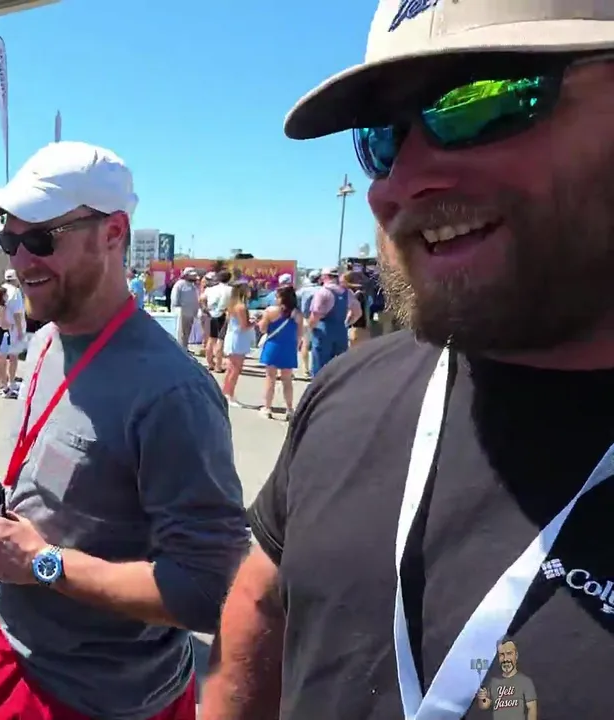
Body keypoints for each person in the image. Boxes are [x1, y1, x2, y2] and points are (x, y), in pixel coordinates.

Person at [201, 3, 614, 720]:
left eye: (478, 102)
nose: (399, 182)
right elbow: (260, 604)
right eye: (382, 137)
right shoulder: (349, 389)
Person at [0, 140, 249, 720]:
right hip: (17, 651)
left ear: (114, 232)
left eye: (42, 239)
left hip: (106, 700)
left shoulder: (172, 392)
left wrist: (42, 564)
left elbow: (210, 589)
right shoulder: (46, 339)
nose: (21, 261)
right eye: (10, 241)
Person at [256, 284, 301, 421]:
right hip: (289, 347)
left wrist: (259, 321)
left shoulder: (271, 311)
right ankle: (289, 409)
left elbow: (263, 329)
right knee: (287, 380)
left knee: (270, 378)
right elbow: (300, 333)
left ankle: (267, 407)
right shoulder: (297, 314)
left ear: (281, 297)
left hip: (273, 345)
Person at [306, 267, 361, 376]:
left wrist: (309, 329)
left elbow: (316, 314)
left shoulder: (322, 292)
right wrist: (346, 323)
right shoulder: (347, 292)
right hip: (341, 331)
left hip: (323, 330)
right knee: (339, 366)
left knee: (320, 366)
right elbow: (358, 312)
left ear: (325, 277)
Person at [220, 283, 254, 406]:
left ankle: (226, 393)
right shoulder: (241, 307)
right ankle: (229, 394)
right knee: (235, 369)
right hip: (238, 338)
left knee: (231, 368)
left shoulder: (232, 305)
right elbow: (244, 326)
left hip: (234, 336)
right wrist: (255, 322)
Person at [0, 269, 27, 397]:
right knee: (13, 357)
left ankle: (2, 382)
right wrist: (20, 330)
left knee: (1, 357)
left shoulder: (0, 289)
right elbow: (17, 313)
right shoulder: (15, 292)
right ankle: (11, 381)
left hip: (1, 327)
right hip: (14, 328)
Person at [202, 269, 233, 372]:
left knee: (211, 339)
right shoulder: (231, 290)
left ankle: (210, 362)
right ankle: (218, 365)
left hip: (212, 313)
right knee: (220, 340)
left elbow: (201, 298)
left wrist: (205, 308)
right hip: (223, 313)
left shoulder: (210, 289)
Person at [170, 269, 201, 350]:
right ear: (186, 275)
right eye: (192, 275)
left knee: (187, 331)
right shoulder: (179, 284)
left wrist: (195, 311)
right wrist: (177, 309)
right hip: (181, 313)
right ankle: (180, 348)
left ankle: (185, 347)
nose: (194, 277)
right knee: (181, 332)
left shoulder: (193, 286)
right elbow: (174, 298)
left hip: (191, 313)